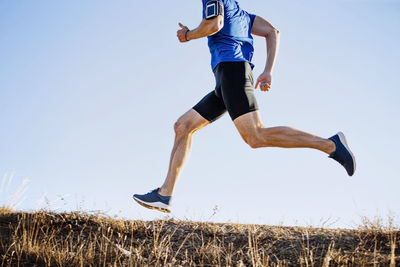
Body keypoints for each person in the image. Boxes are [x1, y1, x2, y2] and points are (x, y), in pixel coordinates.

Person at [133, 0, 356, 213]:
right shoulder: (242, 15)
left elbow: (214, 24)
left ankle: (331, 145)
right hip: (226, 79)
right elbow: (272, 32)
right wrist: (268, 70)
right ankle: (165, 195)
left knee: (255, 135)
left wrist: (188, 35)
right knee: (183, 126)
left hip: (233, 72)